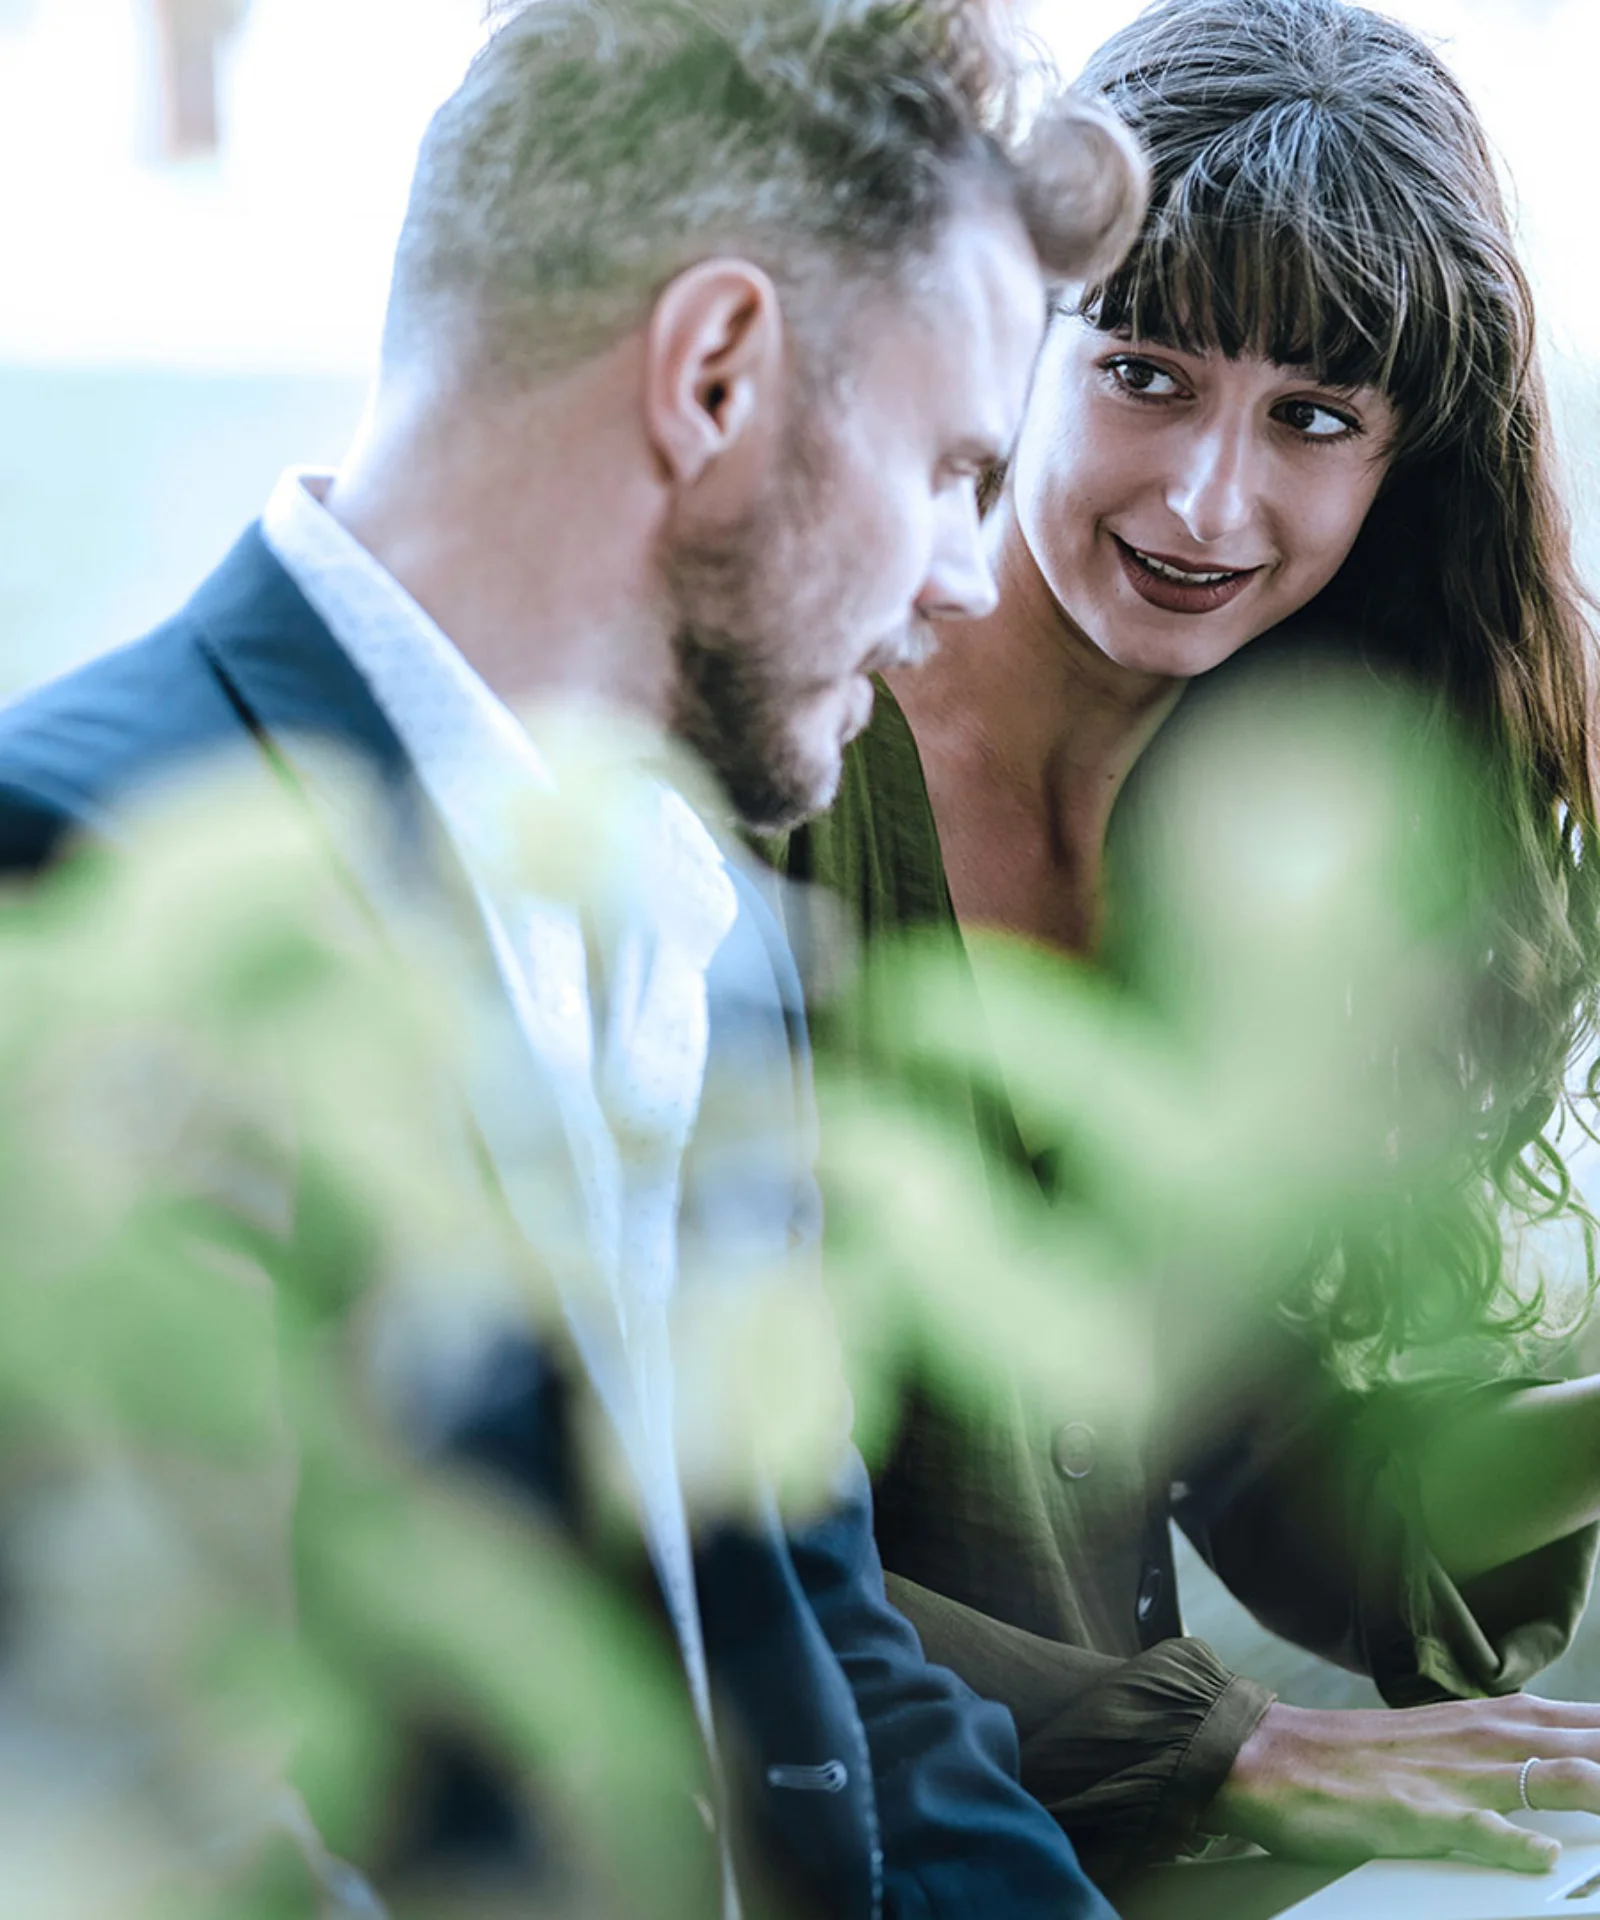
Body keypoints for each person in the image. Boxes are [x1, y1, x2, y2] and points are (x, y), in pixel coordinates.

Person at [0, 0, 1150, 1914]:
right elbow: (162, 1802)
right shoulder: (84, 879)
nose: (966, 576)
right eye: (950, 465)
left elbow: (835, 1676)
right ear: (714, 375)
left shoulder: (716, 940)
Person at [769, 0, 1600, 1891]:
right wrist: (1234, 1752)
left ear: (1405, 470)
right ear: (1019, 335)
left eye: (1314, 418)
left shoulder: (1273, 853)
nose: (1210, 501)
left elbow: (1308, 1508)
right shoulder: (784, 755)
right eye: (1147, 372)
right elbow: (650, 1497)